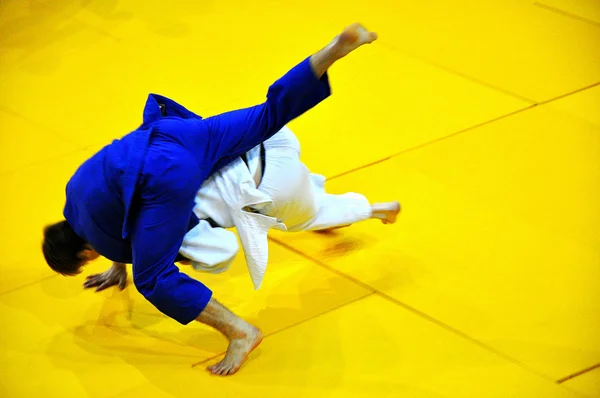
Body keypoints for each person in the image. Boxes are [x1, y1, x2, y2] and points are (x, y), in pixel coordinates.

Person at [42, 23, 378, 376]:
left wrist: (120, 262)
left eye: (86, 261)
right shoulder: (74, 193)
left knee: (153, 278)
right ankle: (333, 51)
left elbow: (131, 240)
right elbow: (114, 207)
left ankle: (239, 331)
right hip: (171, 136)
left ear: (83, 252)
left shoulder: (98, 234)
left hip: (166, 176)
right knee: (268, 116)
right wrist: (115, 264)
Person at [85, 125, 400, 294]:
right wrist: (118, 265)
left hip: (270, 187)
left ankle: (376, 209)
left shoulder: (158, 228)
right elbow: (121, 222)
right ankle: (313, 191)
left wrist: (193, 260)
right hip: (269, 137)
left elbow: (222, 250)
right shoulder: (123, 184)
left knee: (307, 215)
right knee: (298, 200)